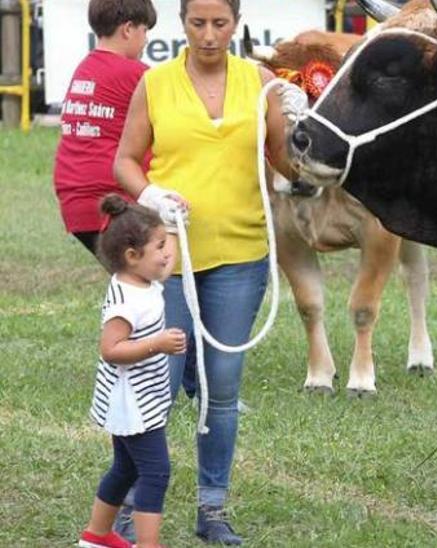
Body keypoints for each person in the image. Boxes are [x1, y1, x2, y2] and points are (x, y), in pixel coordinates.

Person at [112, 0, 301, 543]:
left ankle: (212, 509)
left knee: (221, 389)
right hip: (164, 261)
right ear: (182, 24)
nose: (210, 35)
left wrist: (299, 119)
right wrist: (149, 193)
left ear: (236, 24)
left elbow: (289, 163)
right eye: (199, 23)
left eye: (221, 24)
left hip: (240, 257)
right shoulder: (156, 83)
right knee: (156, 385)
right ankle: (131, 504)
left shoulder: (259, 82)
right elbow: (125, 159)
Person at [78, 195, 185, 548]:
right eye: (159, 246)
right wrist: (158, 344)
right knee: (155, 473)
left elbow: (165, 268)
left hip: (140, 398)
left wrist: (175, 227)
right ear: (132, 256)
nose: (166, 253)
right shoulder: (127, 300)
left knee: (125, 468)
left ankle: (96, 536)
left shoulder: (141, 279)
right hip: (133, 403)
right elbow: (111, 350)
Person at [52, 0, 155, 261]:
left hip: (76, 204)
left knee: (134, 281)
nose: (145, 41)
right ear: (128, 29)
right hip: (115, 201)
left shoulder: (85, 68)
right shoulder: (137, 74)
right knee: (153, 280)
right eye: (145, 31)